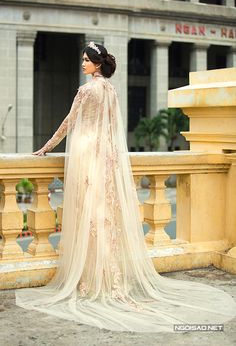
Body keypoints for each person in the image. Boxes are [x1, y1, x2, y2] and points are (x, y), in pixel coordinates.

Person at [15, 41, 236, 333]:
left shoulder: (87, 90)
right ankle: (107, 277)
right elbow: (111, 128)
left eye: (85, 60)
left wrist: (46, 147)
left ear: (96, 63)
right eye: (82, 59)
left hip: (86, 155)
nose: (82, 64)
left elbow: (70, 122)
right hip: (105, 156)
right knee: (104, 217)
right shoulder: (111, 90)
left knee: (89, 217)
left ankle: (93, 279)